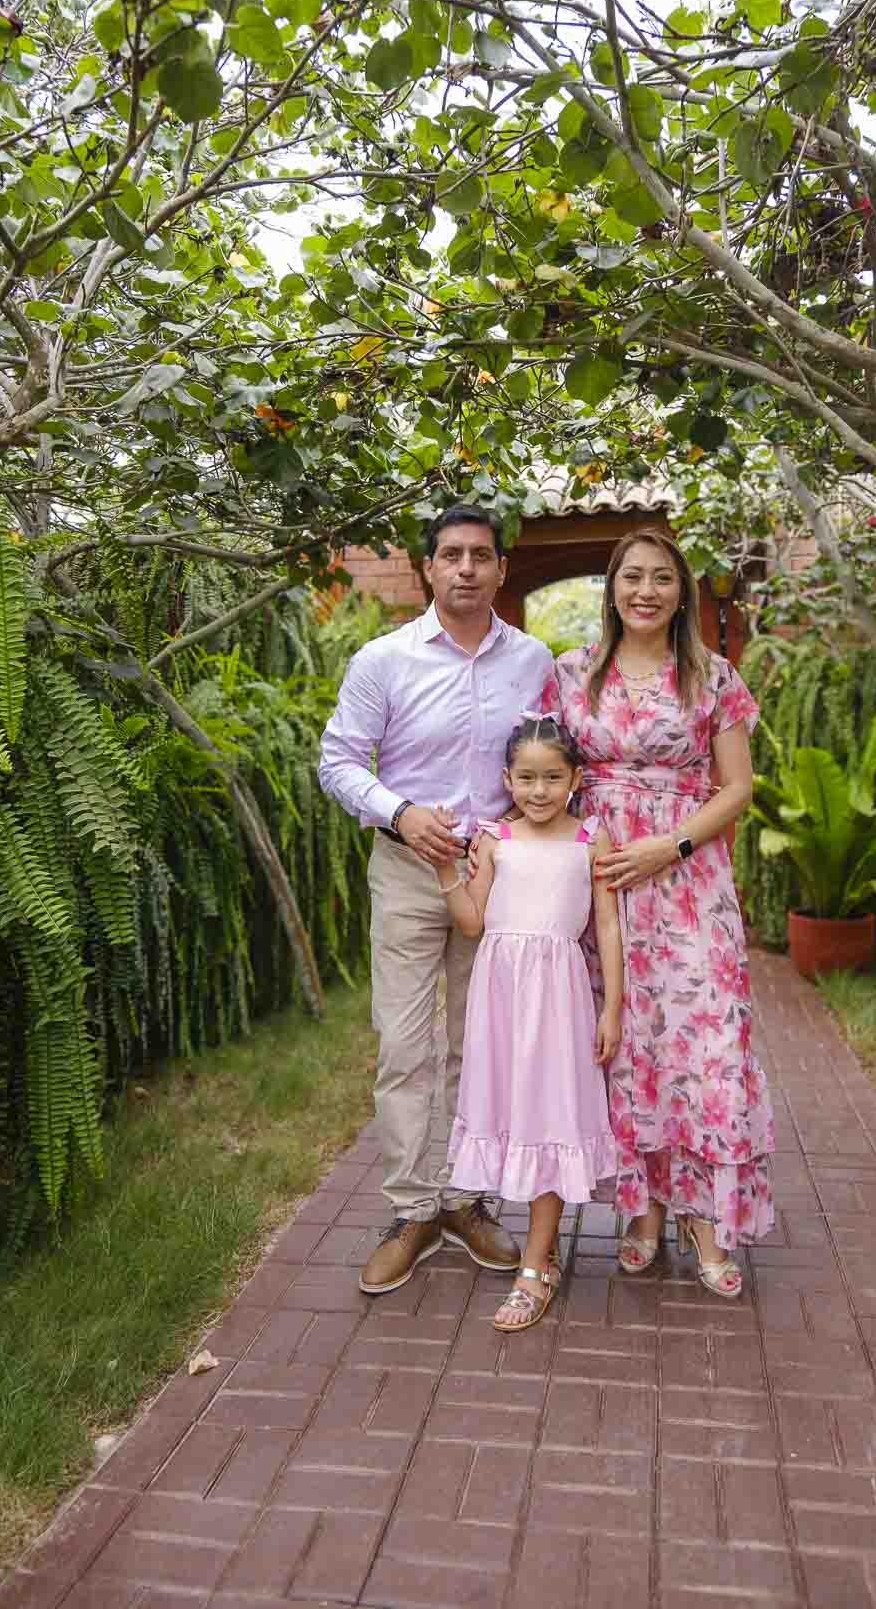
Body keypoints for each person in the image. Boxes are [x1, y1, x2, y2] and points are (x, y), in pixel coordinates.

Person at [318, 504, 553, 1295]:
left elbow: (552, 762)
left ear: (501, 569)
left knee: (479, 1043)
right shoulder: (382, 660)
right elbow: (339, 761)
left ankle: (465, 1200)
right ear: (428, 568)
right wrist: (400, 813)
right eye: (451, 555)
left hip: (495, 876)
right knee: (405, 1042)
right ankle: (412, 1210)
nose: (466, 569)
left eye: (480, 555)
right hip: (408, 869)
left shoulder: (533, 662)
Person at [541, 527, 774, 1298]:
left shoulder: (713, 676)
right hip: (601, 878)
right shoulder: (570, 672)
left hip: (688, 880)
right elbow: (541, 771)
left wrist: (666, 848)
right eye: (632, 576)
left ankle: (705, 1219)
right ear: (612, 588)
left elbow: (738, 788)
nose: (646, 590)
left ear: (682, 593)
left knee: (704, 1044)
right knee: (626, 1046)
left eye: (662, 578)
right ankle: (641, 1213)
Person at [437, 713, 621, 1332]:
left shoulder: (590, 839)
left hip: (559, 1004)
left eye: (552, 778)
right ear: (507, 779)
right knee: (512, 1115)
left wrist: (612, 1007)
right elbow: (471, 922)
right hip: (500, 1002)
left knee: (550, 1119)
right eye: (526, 778)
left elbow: (607, 926)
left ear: (575, 780)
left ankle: (536, 1266)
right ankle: (540, 1251)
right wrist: (444, 870)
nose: (538, 791)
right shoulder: (495, 838)